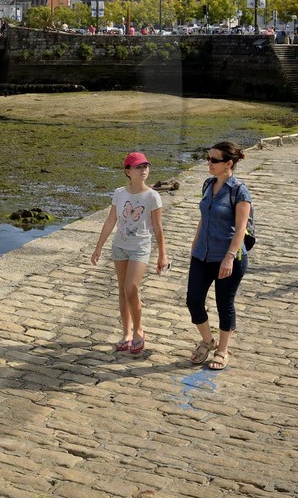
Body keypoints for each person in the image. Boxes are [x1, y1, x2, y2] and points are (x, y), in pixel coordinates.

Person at [90, 151, 167, 354]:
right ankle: (126, 333)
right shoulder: (119, 193)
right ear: (128, 171)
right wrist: (99, 247)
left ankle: (139, 330)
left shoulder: (152, 196)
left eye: (145, 166)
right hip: (120, 246)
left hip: (141, 247)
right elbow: (111, 220)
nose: (143, 170)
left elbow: (158, 227)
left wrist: (162, 254)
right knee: (123, 290)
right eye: (138, 167)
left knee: (131, 287)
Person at [186, 141, 252, 371]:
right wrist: (194, 246)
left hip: (228, 257)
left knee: (225, 304)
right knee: (193, 301)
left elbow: (241, 229)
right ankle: (208, 340)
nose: (209, 163)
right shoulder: (208, 184)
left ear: (228, 164)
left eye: (214, 160)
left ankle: (223, 349)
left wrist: (229, 257)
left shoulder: (239, 192)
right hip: (202, 255)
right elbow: (203, 218)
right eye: (208, 158)